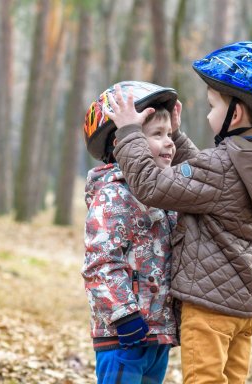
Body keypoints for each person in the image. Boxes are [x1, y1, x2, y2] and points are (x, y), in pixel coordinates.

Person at [105, 41, 252, 384]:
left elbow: (152, 185)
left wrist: (129, 133)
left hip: (209, 307)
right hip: (243, 307)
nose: (209, 114)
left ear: (235, 115)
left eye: (213, 106)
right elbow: (206, 182)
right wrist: (177, 138)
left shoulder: (220, 167)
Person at [82, 81, 184, 384]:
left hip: (157, 333)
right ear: (122, 143)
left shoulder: (164, 193)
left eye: (169, 134)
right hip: (123, 335)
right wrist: (124, 315)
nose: (169, 143)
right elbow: (100, 262)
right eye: (157, 134)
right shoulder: (113, 195)